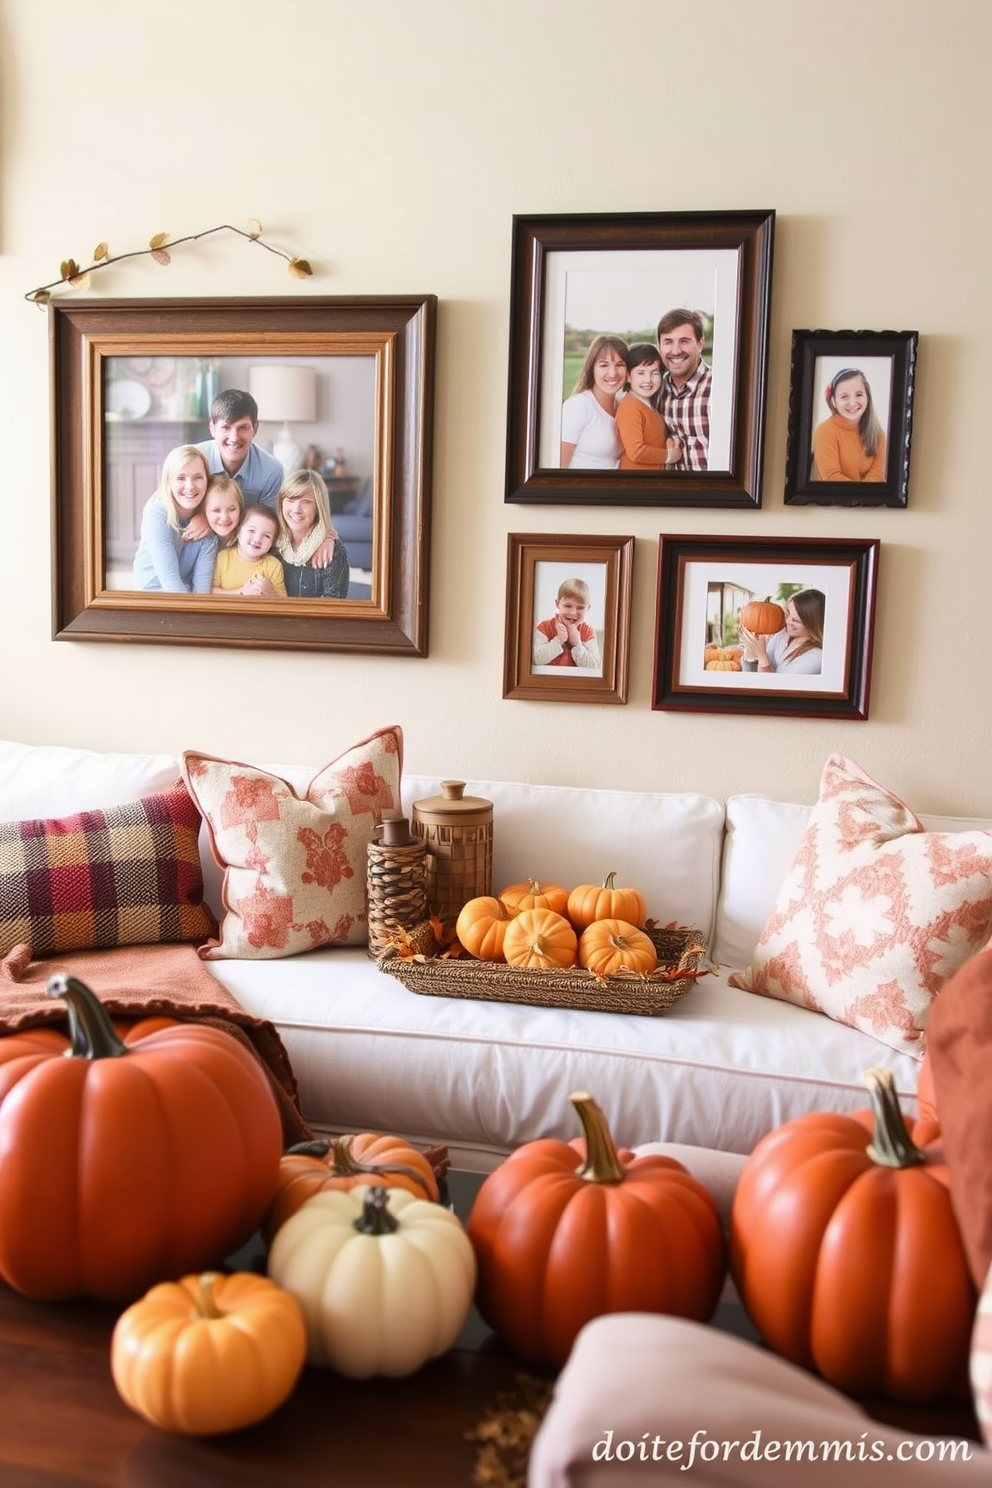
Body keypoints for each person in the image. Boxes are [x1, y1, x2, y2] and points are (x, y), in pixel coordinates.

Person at [131, 444, 217, 593]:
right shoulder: (157, 515)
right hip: (153, 597)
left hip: (185, 598)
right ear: (169, 482)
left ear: (207, 481)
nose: (190, 486)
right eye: (180, 478)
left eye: (198, 477)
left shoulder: (206, 525)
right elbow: (171, 585)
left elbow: (202, 593)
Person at [194, 388, 284, 509]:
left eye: (243, 427)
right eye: (226, 427)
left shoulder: (271, 471)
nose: (234, 438)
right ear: (212, 429)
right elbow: (167, 505)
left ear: (255, 428)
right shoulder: (191, 459)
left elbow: (266, 522)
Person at [275, 470, 351, 598]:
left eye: (307, 502)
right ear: (281, 503)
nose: (297, 509)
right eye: (291, 500)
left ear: (318, 507)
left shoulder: (333, 552)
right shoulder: (271, 541)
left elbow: (332, 609)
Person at [559, 335, 628, 469]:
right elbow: (559, 466)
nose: (613, 373)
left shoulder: (623, 405)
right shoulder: (579, 406)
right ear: (592, 368)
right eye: (604, 365)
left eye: (620, 365)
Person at [656, 308, 712, 471]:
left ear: (700, 344)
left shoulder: (718, 387)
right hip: (675, 493)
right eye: (668, 342)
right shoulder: (656, 391)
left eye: (684, 341)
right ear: (659, 346)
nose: (675, 350)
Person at [614, 343, 683, 470]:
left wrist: (668, 441)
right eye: (640, 373)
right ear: (628, 376)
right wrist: (669, 455)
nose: (648, 380)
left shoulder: (649, 405)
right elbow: (636, 452)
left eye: (654, 373)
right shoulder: (630, 407)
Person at [811, 368, 887, 482]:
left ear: (868, 397)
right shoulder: (825, 430)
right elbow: (831, 477)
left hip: (869, 499)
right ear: (833, 400)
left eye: (859, 394)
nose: (852, 403)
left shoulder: (879, 435)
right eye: (844, 396)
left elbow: (877, 476)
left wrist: (863, 498)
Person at [739, 589, 825, 675]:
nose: (787, 621)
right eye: (788, 614)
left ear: (812, 625)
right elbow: (751, 679)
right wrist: (751, 653)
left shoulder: (816, 657)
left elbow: (775, 687)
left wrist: (762, 655)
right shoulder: (782, 634)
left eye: (795, 621)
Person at [212, 503, 287, 597]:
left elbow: (284, 603)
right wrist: (241, 592)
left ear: (272, 543)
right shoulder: (222, 558)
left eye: (267, 536)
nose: (257, 539)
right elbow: (210, 592)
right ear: (238, 532)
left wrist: (270, 592)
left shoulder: (273, 565)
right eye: (251, 530)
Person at [533, 577, 602, 670]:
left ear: (588, 608)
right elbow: (537, 659)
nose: (573, 612)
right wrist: (558, 640)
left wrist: (577, 644)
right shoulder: (544, 627)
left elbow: (595, 665)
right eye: (568, 606)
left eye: (580, 608)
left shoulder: (588, 631)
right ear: (557, 604)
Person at [202, 473, 243, 550]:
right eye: (216, 510)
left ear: (240, 509)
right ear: (204, 511)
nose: (224, 518)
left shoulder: (247, 541)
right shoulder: (200, 540)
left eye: (232, 509)